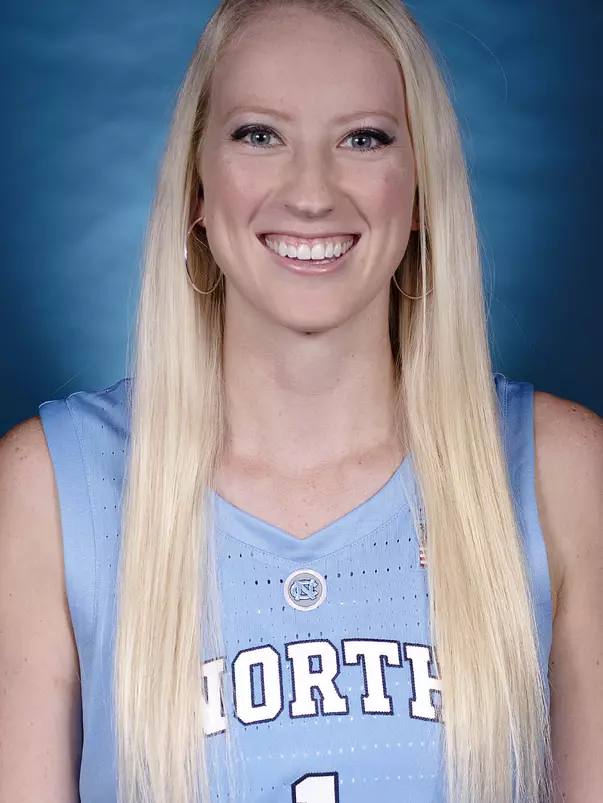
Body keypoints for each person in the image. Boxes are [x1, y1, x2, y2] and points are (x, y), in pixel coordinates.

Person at [0, 0, 601, 801]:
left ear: (420, 189)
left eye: (363, 138)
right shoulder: (45, 490)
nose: (311, 192)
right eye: (259, 134)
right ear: (195, 191)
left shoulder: (563, 475)